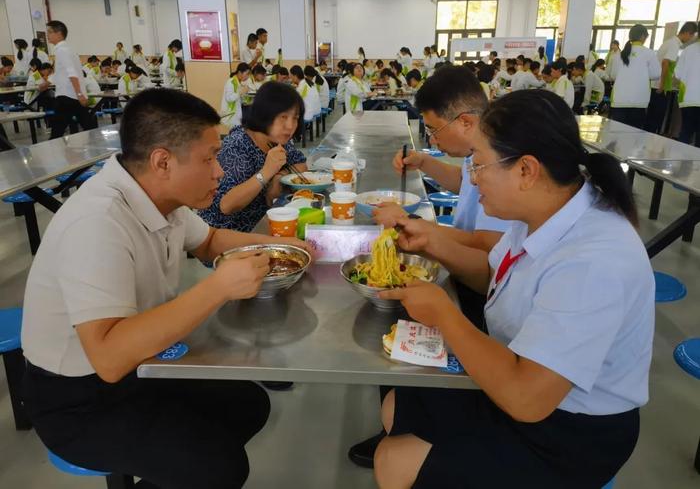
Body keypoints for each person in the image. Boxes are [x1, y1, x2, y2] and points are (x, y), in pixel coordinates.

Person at [22, 88, 311, 489]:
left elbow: (209, 240)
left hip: (140, 365)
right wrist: (218, 288)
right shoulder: (97, 223)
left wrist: (284, 247)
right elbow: (107, 358)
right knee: (219, 467)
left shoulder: (162, 199)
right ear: (163, 161)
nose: (220, 172)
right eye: (210, 158)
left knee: (249, 405)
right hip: (77, 397)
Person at [373, 88, 653, 489]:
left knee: (393, 460)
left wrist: (443, 314)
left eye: (480, 166)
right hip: (522, 371)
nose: (472, 178)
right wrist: (430, 242)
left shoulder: (594, 261)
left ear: (526, 170)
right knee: (396, 405)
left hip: (570, 429)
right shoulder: (546, 211)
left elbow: (527, 399)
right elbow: (493, 275)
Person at [348, 65, 512, 468]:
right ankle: (400, 422)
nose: (432, 138)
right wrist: (425, 162)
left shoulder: (502, 163)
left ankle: (408, 426)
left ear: (467, 121)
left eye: (434, 130)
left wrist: (426, 238)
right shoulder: (482, 156)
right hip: (474, 279)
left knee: (397, 321)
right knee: (394, 321)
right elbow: (463, 186)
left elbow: (489, 259)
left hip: (483, 297)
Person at [198, 81, 307, 233]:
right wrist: (266, 172)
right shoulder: (237, 145)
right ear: (264, 114)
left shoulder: (278, 141)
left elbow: (301, 163)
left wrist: (279, 176)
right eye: (283, 117)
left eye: (295, 118)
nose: (290, 125)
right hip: (226, 233)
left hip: (263, 222)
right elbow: (226, 205)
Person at [46, 20, 97, 139]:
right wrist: (47, 83)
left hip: (68, 96)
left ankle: (52, 154)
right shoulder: (67, 49)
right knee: (88, 126)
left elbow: (71, 72)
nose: (47, 35)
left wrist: (79, 94)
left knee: (57, 131)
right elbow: (61, 73)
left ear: (59, 33)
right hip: (71, 96)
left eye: (49, 32)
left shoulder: (62, 50)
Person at [645, 21, 698, 134]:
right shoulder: (674, 45)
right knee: (656, 120)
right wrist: (662, 85)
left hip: (656, 85)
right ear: (688, 33)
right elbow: (665, 63)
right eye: (692, 35)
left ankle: (646, 143)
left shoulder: (669, 42)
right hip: (661, 88)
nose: (692, 38)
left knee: (651, 118)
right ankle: (649, 145)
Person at [608, 24, 661, 129]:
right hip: (639, 100)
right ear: (642, 36)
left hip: (619, 100)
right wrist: (643, 75)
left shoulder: (619, 54)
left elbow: (613, 75)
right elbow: (656, 74)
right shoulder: (649, 53)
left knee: (617, 134)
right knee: (634, 135)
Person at [674, 33, 700, 145]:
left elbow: (677, 74)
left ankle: (681, 161)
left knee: (686, 131)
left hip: (687, 98)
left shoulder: (687, 50)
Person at [220, 63, 251, 131]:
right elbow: (229, 98)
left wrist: (245, 100)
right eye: (247, 74)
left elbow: (237, 99)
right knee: (235, 134)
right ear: (240, 72)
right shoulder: (231, 82)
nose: (248, 77)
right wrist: (240, 92)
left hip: (236, 114)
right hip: (231, 115)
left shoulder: (238, 82)